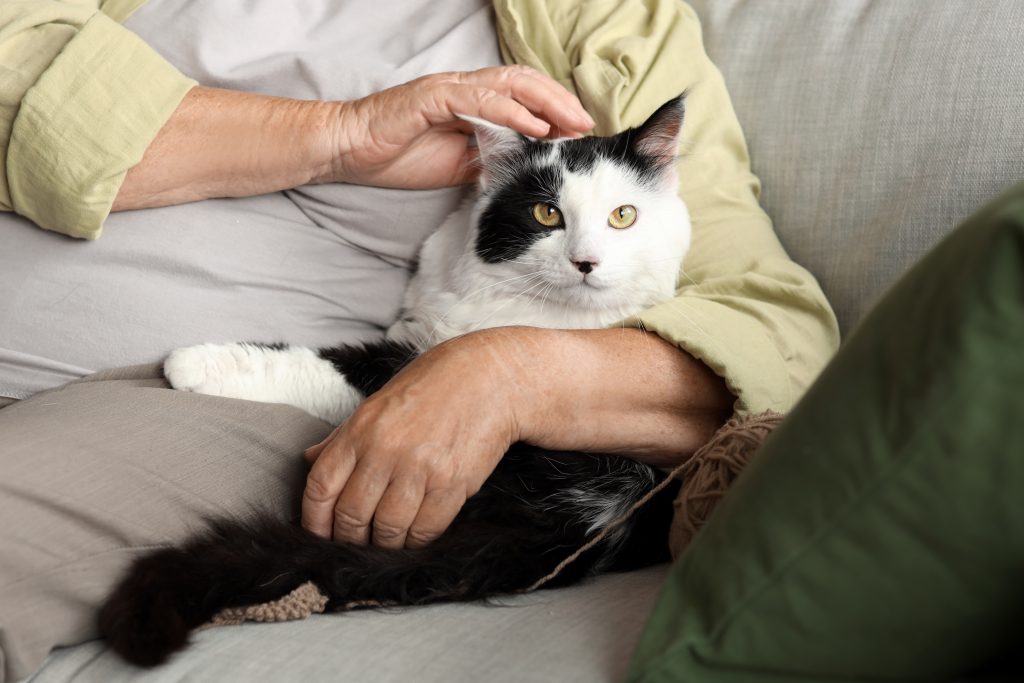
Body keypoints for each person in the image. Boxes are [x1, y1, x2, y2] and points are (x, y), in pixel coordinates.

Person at [0, 2, 838, 680]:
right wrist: (335, 133)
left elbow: (773, 329)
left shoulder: (609, 30)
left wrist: (509, 375)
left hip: (247, 393)